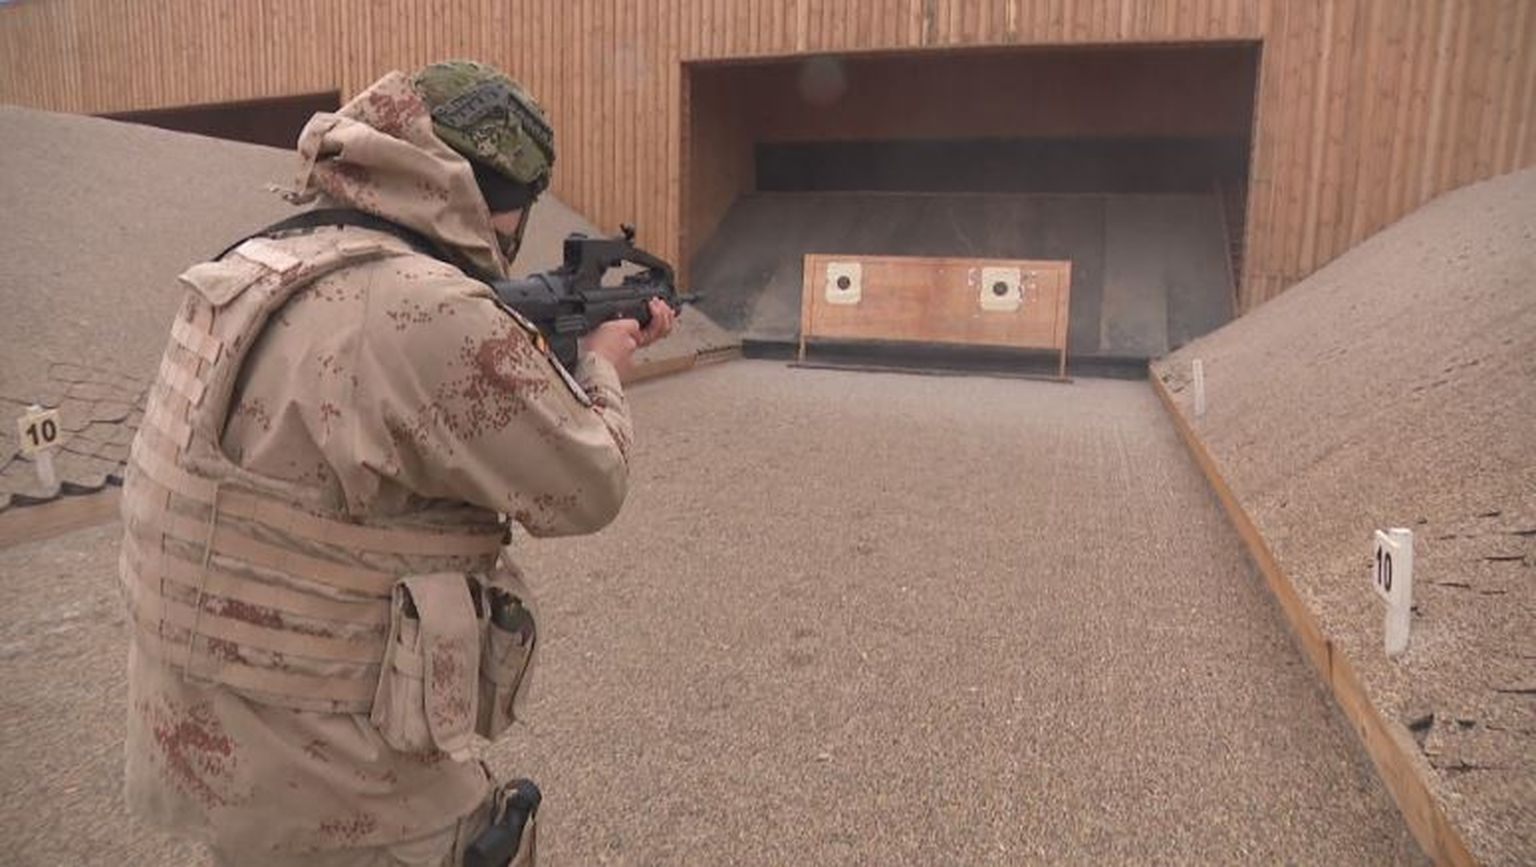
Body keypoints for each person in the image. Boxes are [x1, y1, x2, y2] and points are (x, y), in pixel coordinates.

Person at [117, 60, 673, 866]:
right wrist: (602, 365)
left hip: (208, 740)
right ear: (499, 200)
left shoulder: (253, 264)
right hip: (347, 783)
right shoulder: (426, 305)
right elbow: (592, 485)